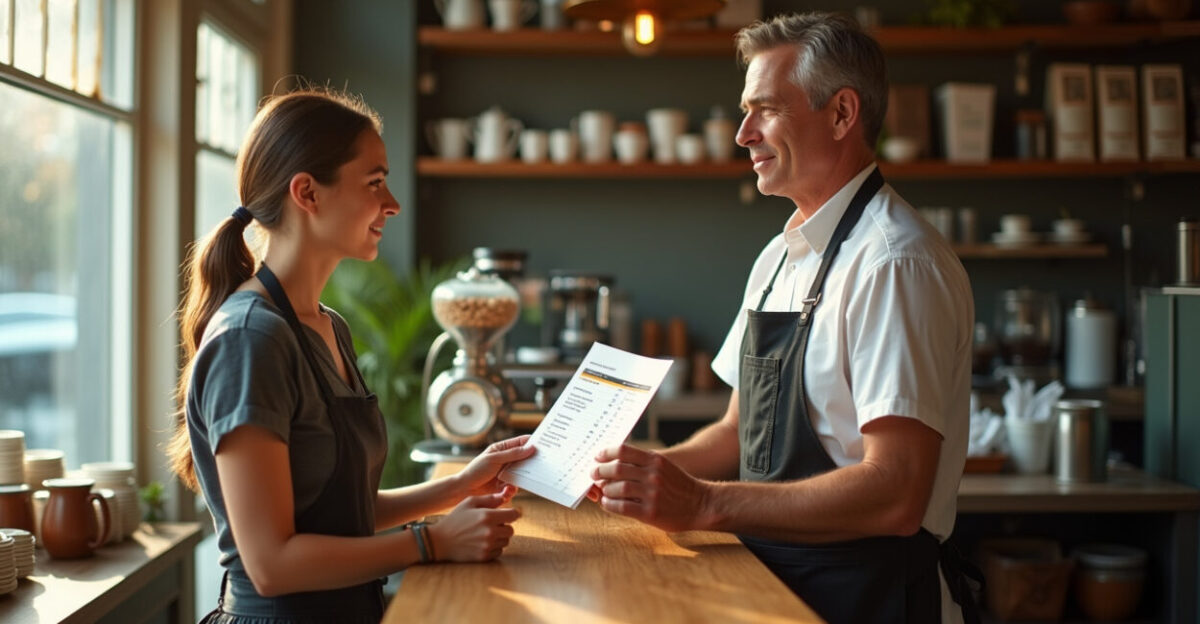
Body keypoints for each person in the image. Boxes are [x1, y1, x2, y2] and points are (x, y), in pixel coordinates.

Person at [589, 12, 978, 624]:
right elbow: (732, 436)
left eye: (765, 109)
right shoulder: (779, 255)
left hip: (870, 599)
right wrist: (620, 477)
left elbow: (898, 493)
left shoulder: (895, 264)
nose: (743, 134)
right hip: (772, 590)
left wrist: (704, 506)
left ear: (842, 114)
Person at [166, 88, 535, 623]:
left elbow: (342, 515)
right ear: (308, 194)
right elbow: (271, 564)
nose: (393, 204)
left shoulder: (327, 328)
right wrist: (431, 542)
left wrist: (456, 487)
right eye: (375, 182)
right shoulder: (251, 340)